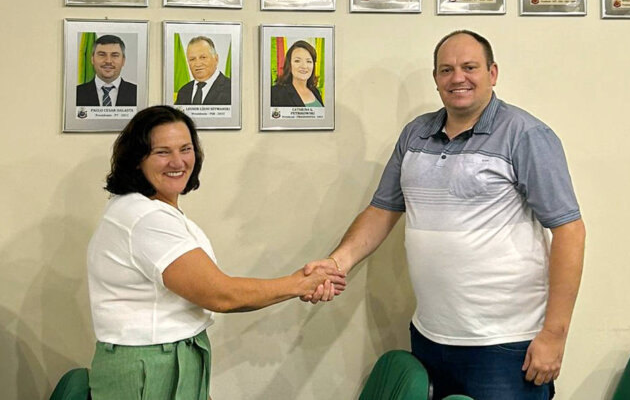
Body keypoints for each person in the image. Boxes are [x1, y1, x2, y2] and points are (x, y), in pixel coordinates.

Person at [304, 30, 586, 400]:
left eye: (470, 67)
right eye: (446, 69)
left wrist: (554, 334)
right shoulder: (416, 134)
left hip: (505, 344)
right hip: (430, 336)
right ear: (436, 78)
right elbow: (382, 211)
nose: (458, 78)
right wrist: (336, 264)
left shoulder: (526, 135)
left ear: (493, 73)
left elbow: (570, 231)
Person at [86, 106, 344, 400]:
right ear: (137, 160)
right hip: (149, 366)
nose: (178, 161)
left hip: (168, 356)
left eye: (185, 149)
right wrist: (301, 283)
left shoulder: (144, 208)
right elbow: (220, 294)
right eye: (162, 152)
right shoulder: (146, 220)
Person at [76, 35, 138, 107]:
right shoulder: (76, 93)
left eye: (114, 55)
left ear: (123, 60)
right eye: (102, 55)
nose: (108, 61)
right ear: (92, 59)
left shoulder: (137, 93)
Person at [174, 37, 231, 106]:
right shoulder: (183, 91)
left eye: (203, 57)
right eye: (192, 59)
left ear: (216, 59)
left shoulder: (231, 89)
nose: (198, 64)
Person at [271, 40, 324, 107]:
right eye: (297, 61)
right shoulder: (275, 93)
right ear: (289, 64)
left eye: (309, 61)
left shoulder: (315, 91)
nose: (304, 66)